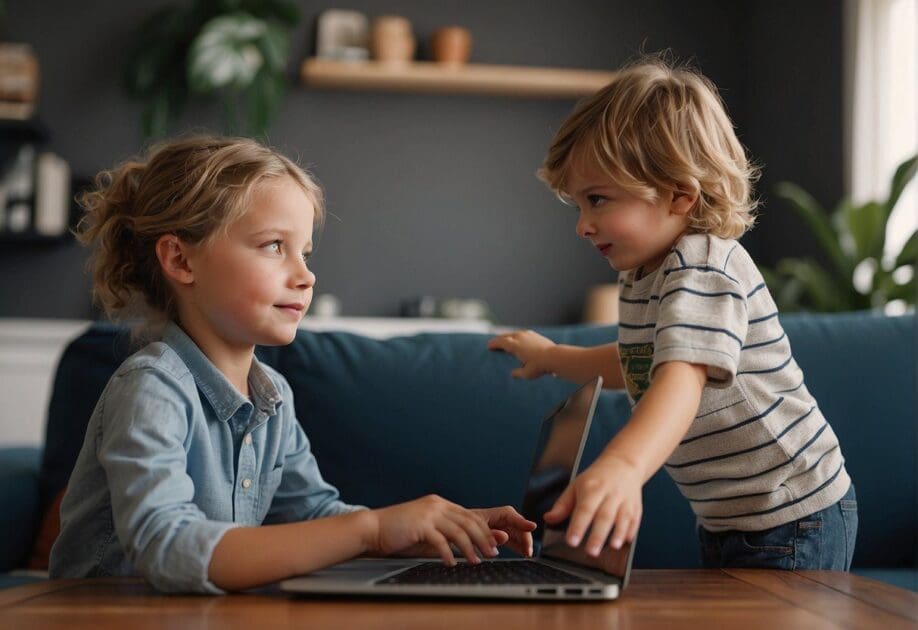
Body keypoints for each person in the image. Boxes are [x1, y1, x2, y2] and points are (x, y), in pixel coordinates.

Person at [49, 135, 535, 593]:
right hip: (105, 615)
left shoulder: (273, 398)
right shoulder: (151, 388)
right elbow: (168, 547)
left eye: (304, 251)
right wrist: (371, 529)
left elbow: (314, 516)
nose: (306, 275)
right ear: (181, 260)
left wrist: (429, 531)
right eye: (273, 246)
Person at [488, 59, 857, 570]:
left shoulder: (704, 266)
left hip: (792, 510)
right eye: (578, 206)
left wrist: (622, 466)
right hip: (731, 516)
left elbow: (680, 379)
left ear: (681, 194)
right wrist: (553, 357)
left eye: (597, 200)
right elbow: (640, 365)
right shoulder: (642, 275)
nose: (583, 226)